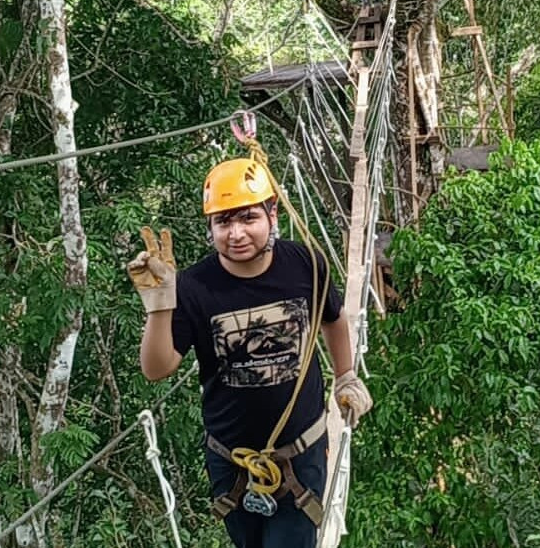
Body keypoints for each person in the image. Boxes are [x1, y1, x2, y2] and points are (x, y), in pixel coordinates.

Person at [128, 157, 372, 548]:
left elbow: (333, 317)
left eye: (248, 218)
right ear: (210, 228)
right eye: (223, 222)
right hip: (232, 463)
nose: (236, 233)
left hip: (300, 454)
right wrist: (160, 305)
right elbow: (157, 368)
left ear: (272, 215)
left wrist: (345, 375)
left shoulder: (306, 264)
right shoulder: (194, 286)